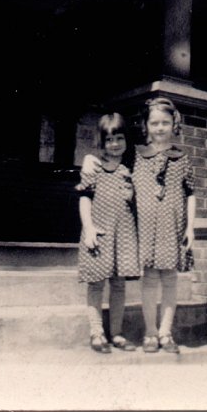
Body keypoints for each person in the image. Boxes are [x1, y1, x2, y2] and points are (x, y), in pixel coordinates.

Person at [82, 98, 196, 354]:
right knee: (149, 280)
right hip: (143, 230)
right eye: (154, 122)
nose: (160, 128)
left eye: (165, 122)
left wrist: (191, 227)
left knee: (169, 280)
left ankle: (165, 333)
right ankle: (150, 332)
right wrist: (89, 158)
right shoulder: (135, 155)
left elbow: (191, 192)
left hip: (172, 229)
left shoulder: (183, 158)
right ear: (145, 125)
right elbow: (109, 155)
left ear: (174, 124)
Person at [76, 113, 141, 354]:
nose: (114, 144)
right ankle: (96, 333)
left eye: (119, 138)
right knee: (95, 285)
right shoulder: (93, 166)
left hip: (122, 234)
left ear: (126, 140)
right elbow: (84, 199)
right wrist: (89, 228)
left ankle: (116, 333)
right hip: (99, 232)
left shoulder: (128, 171)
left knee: (118, 285)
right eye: (109, 139)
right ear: (102, 143)